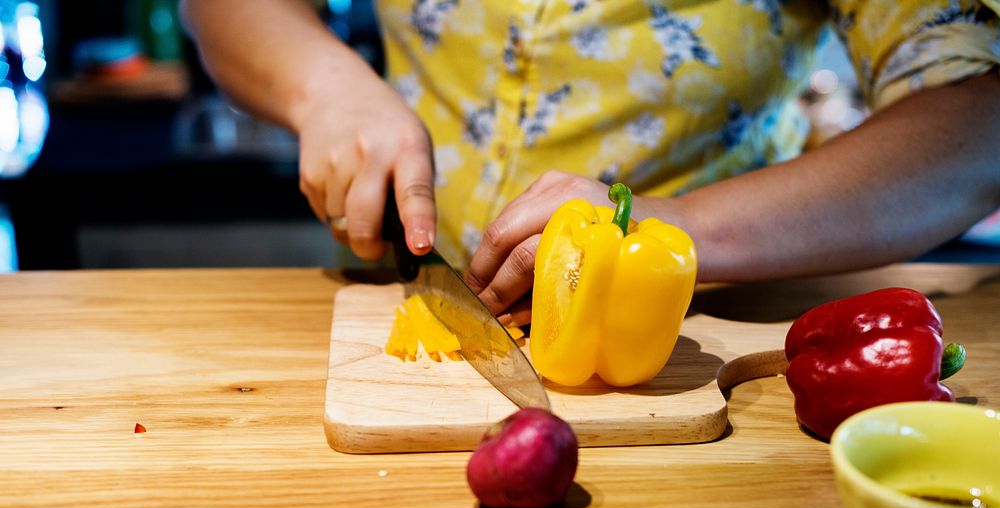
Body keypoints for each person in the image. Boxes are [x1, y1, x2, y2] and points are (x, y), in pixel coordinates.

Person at [181, 0, 1000, 326]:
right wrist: (325, 86)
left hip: (698, 333)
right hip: (413, 308)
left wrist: (661, 233)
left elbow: (978, 126)